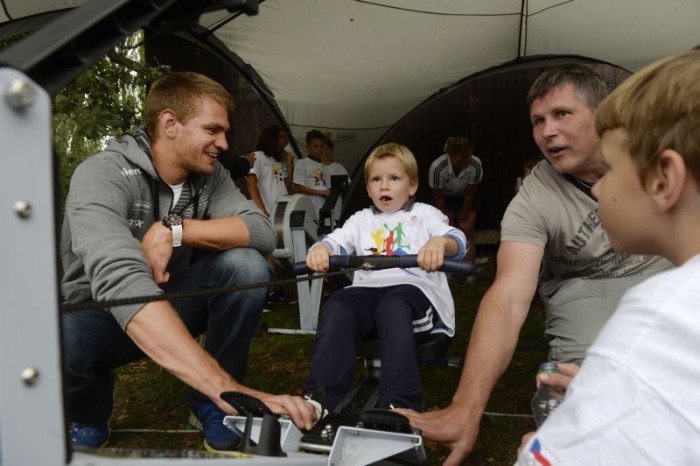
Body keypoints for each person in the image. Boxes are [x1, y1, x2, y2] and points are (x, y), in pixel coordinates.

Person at [397, 63, 671, 465]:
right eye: (538, 121)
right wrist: (465, 408)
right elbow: (508, 297)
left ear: (604, 113)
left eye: (562, 114)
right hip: (584, 295)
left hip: (667, 276)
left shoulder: (656, 151)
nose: (547, 131)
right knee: (578, 405)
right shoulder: (533, 198)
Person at [60, 71, 315, 452]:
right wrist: (228, 387)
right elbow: (120, 283)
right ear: (170, 123)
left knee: (246, 265)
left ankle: (213, 407)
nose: (223, 143)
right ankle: (89, 410)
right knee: (56, 337)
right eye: (213, 130)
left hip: (171, 298)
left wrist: (173, 228)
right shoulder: (102, 173)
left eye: (225, 132)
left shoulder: (211, 176)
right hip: (98, 313)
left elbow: (261, 231)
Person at [516, 46, 700, 465]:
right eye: (538, 121)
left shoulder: (660, 312)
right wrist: (603, 387)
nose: (598, 189)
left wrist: (536, 451)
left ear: (664, 180)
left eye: (612, 169)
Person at [302, 143, 467, 411]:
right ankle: (320, 398)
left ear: (412, 185)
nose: (384, 186)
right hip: (369, 294)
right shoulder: (361, 219)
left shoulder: (425, 215)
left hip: (412, 293)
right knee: (339, 304)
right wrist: (322, 249)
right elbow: (335, 241)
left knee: (392, 307)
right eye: (376, 180)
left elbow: (456, 239)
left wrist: (440, 244)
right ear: (368, 188)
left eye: (394, 179)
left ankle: (401, 404)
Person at [245, 124, 297, 304]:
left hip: (280, 212)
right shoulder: (256, 157)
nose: (282, 142)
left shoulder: (278, 160)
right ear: (269, 137)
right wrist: (262, 210)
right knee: (268, 252)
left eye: (284, 139)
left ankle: (275, 291)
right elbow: (251, 184)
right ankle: (269, 293)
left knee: (277, 251)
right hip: (265, 211)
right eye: (279, 138)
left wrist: (290, 164)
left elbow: (287, 186)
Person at [428, 137, 483, 269]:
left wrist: (464, 219)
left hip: (466, 196)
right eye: (462, 157)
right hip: (445, 198)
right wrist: (445, 220)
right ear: (451, 156)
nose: (466, 160)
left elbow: (470, 194)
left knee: (467, 230)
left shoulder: (475, 164)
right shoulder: (438, 167)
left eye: (468, 156)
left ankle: (468, 270)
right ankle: (448, 270)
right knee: (447, 232)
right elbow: (439, 197)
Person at [293, 129, 331, 216]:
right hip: (308, 209)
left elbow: (328, 189)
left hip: (322, 210)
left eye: (321, 146)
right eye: (315, 146)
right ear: (308, 147)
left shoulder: (324, 167)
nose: (319, 149)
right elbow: (298, 188)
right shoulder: (301, 163)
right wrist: (321, 192)